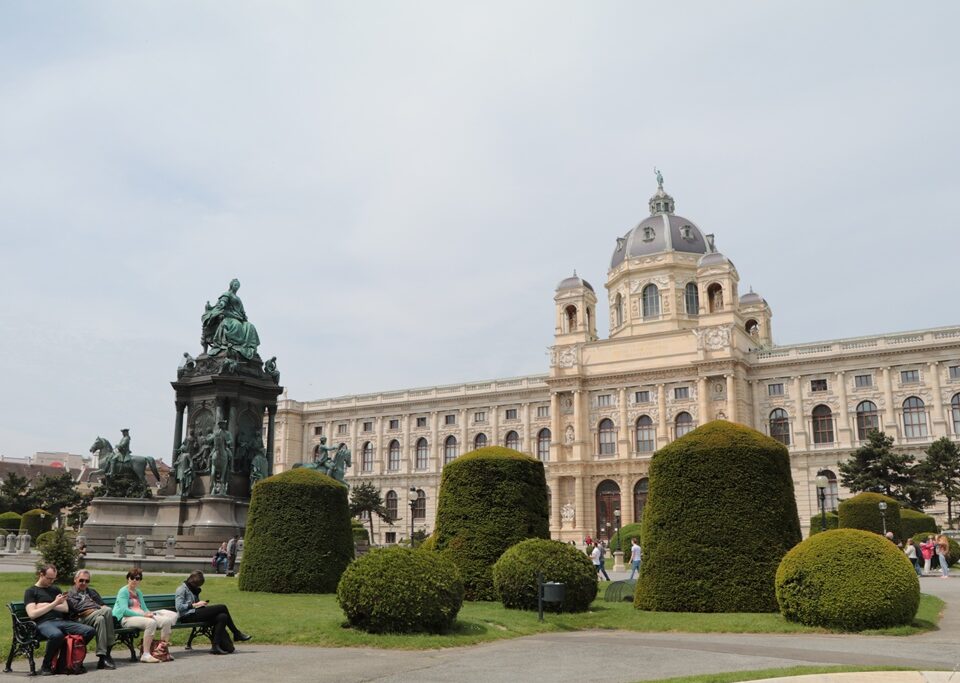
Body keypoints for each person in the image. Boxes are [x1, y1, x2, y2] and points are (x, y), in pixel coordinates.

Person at [24, 565, 95, 676]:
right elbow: (32, 614)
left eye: (54, 578)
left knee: (89, 631)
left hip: (61, 621)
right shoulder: (31, 591)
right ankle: (46, 666)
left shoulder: (55, 589)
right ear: (41, 575)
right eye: (49, 578)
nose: (52, 581)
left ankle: (64, 661)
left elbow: (65, 608)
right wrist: (54, 603)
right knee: (57, 635)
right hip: (43, 623)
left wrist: (47, 605)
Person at [174, 570, 251, 655]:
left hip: (195, 613)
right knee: (222, 607)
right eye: (196, 585)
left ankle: (215, 646)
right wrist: (194, 605)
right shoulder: (181, 589)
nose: (197, 587)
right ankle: (236, 633)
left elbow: (195, 605)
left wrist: (201, 604)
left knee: (222, 616)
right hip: (187, 616)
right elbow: (179, 607)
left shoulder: (192, 589)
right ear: (191, 581)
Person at [112, 568, 178, 663]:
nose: (135, 580)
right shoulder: (123, 591)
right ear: (128, 578)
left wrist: (148, 613)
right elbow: (124, 610)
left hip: (140, 616)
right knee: (151, 623)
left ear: (140, 580)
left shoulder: (138, 592)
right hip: (126, 618)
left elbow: (144, 607)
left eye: (137, 578)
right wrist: (144, 615)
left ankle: (162, 650)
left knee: (166, 621)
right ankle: (146, 654)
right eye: (132, 577)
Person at [66, 570, 116, 669]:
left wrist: (98, 609)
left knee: (100, 619)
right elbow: (78, 612)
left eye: (87, 581)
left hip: (95, 616)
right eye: (81, 580)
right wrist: (96, 609)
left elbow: (102, 605)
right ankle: (109, 649)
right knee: (107, 611)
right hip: (79, 620)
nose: (84, 583)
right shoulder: (70, 594)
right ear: (75, 580)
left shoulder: (92, 592)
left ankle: (102, 657)